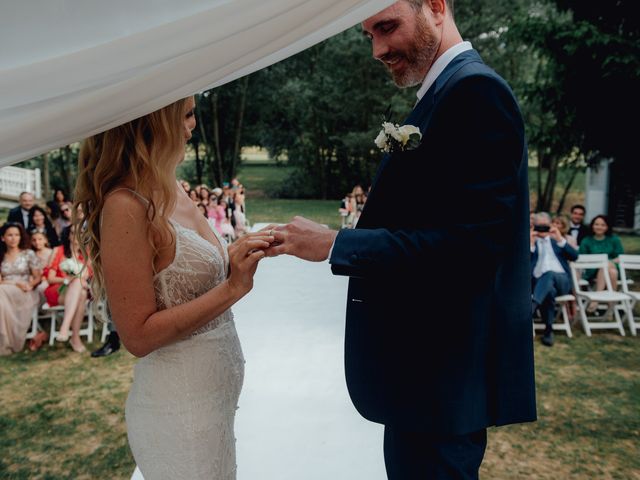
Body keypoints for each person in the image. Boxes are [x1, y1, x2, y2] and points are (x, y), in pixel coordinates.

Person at [265, 1, 536, 478]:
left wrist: (336, 244)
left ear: (435, 6)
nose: (377, 48)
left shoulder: (474, 93)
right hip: (422, 382)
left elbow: (468, 251)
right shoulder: (444, 93)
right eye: (368, 34)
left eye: (387, 27)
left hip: (441, 383)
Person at [74, 96, 273, 479]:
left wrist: (236, 254)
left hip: (210, 407)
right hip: (178, 412)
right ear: (155, 122)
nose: (192, 125)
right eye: (185, 114)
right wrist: (232, 288)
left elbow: (186, 277)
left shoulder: (171, 186)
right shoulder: (125, 205)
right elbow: (137, 334)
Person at [530, 213, 578, 346]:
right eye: (539, 226)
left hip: (562, 282)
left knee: (549, 273)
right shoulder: (530, 242)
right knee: (549, 291)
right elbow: (523, 264)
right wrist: (531, 244)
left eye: (545, 226)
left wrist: (559, 238)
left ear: (550, 225)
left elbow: (575, 256)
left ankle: (532, 307)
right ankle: (548, 331)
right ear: (534, 226)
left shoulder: (557, 241)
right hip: (539, 284)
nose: (542, 229)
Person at [44, 226, 91, 353]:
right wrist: (67, 280)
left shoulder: (86, 253)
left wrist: (77, 280)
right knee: (77, 285)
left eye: (80, 232)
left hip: (78, 291)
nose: (77, 235)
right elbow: (50, 278)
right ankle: (74, 337)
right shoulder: (58, 251)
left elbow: (88, 276)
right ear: (68, 235)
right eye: (73, 233)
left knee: (81, 292)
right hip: (58, 290)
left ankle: (66, 329)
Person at [0, 222, 42, 355]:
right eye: (10, 235)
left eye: (17, 235)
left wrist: (30, 284)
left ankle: (6, 340)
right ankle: (4, 341)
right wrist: (15, 283)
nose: (14, 238)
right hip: (5, 289)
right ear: (3, 238)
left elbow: (37, 277)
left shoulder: (28, 253)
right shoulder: (1, 256)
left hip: (25, 291)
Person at [579, 214, 624, 297]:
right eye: (596, 224)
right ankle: (611, 304)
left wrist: (607, 262)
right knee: (611, 271)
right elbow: (582, 258)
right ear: (592, 226)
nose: (599, 227)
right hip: (592, 269)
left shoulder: (614, 239)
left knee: (609, 268)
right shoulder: (586, 240)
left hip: (612, 266)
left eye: (603, 225)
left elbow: (619, 257)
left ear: (607, 227)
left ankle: (596, 299)